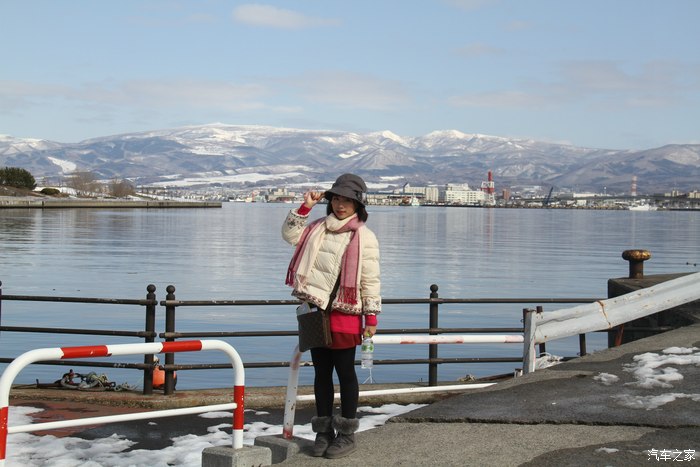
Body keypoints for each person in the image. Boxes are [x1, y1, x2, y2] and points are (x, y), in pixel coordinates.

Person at [282, 173, 381, 459]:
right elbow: (289, 235)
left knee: (345, 372)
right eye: (336, 198)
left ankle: (347, 433)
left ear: (358, 204)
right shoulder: (316, 227)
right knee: (321, 372)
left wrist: (371, 317)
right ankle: (323, 431)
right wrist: (304, 208)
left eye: (347, 200)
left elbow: (370, 280)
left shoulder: (364, 236)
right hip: (315, 308)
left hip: (345, 311)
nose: (340, 205)